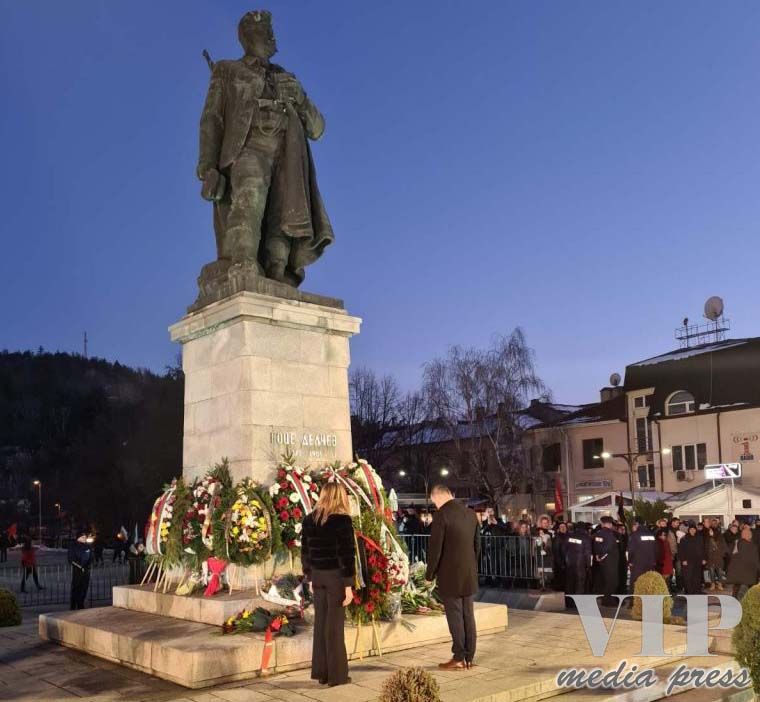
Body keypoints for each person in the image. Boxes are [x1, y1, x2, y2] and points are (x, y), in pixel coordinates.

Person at [197, 10, 333, 288]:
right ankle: (243, 261)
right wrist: (207, 167)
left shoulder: (286, 78)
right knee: (250, 191)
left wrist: (301, 98)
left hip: (288, 151)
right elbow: (212, 119)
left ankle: (277, 269)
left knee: (285, 209)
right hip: (248, 146)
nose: (272, 37)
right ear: (247, 38)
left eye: (272, 32)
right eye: (264, 32)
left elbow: (318, 129)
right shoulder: (227, 70)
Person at [300, 482, 355, 687]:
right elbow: (346, 556)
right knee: (335, 627)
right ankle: (337, 675)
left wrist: (311, 577)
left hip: (318, 577)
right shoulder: (342, 521)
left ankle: (322, 673)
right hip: (336, 579)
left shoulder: (309, 520)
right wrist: (349, 586)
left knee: (321, 625)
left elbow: (305, 553)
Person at [425, 484, 480, 670]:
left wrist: (429, 574)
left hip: (450, 575)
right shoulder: (470, 514)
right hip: (469, 573)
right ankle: (469, 657)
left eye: (434, 502)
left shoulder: (442, 515)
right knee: (468, 615)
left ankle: (458, 657)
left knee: (455, 616)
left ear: (437, 497)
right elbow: (477, 546)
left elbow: (435, 549)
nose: (435, 506)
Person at [726, 526, 760, 600]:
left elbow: (729, 553)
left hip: (736, 572)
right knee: (743, 591)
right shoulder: (752, 546)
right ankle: (741, 605)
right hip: (747, 573)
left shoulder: (736, 542)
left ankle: (734, 603)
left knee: (736, 589)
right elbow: (755, 560)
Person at [563, 522, 592, 609]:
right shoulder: (586, 538)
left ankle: (569, 603)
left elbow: (564, 549)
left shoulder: (569, 536)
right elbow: (587, 553)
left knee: (570, 583)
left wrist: (566, 560)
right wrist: (588, 565)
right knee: (580, 584)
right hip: (581, 564)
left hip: (570, 563)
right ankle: (578, 603)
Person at [592, 516, 620, 607]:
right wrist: (603, 556)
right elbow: (608, 547)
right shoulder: (610, 534)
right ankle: (607, 600)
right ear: (609, 524)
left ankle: (607, 599)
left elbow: (596, 546)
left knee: (607, 580)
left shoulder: (598, 533)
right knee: (612, 581)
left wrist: (598, 556)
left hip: (603, 560)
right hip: (610, 560)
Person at [628, 517, 657, 593]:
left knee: (635, 583)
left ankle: (634, 602)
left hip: (638, 563)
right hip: (650, 563)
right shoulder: (651, 534)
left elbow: (631, 550)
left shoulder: (635, 535)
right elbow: (655, 549)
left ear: (636, 524)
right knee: (648, 582)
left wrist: (630, 561)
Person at [69, 529, 93, 609]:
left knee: (84, 588)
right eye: (82, 537)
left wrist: (88, 564)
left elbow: (91, 557)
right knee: (76, 588)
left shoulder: (88, 546)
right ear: (78, 538)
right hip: (77, 571)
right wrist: (80, 566)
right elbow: (71, 558)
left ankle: (81, 603)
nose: (84, 538)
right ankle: (73, 605)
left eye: (85, 537)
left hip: (86, 570)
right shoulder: (73, 546)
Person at [678, 523, 706, 594]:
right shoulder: (684, 539)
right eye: (691, 529)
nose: (692, 530)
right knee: (688, 577)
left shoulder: (699, 538)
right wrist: (683, 560)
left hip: (698, 560)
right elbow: (681, 550)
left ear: (696, 530)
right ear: (688, 530)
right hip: (688, 561)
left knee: (697, 576)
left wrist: (703, 558)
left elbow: (703, 549)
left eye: (694, 529)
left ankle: (697, 591)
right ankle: (689, 591)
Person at [703, 524, 726, 591]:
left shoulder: (720, 537)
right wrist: (705, 557)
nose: (710, 532)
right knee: (711, 572)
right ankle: (712, 584)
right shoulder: (707, 538)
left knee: (719, 572)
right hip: (711, 557)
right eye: (709, 531)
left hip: (718, 557)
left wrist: (722, 554)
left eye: (711, 531)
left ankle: (719, 584)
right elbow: (705, 548)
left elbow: (723, 547)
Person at [552, 522, 569, 592]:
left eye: (564, 526)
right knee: (560, 577)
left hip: (567, 561)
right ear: (558, 529)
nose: (563, 528)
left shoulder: (568, 536)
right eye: (561, 527)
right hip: (560, 562)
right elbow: (556, 551)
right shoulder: (557, 537)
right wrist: (560, 563)